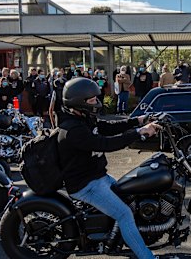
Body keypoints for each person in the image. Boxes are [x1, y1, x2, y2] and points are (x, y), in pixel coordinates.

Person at [57, 78, 159, 259]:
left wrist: (138, 121)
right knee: (124, 214)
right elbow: (104, 143)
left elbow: (106, 127)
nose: (96, 102)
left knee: (131, 198)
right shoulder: (72, 129)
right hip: (85, 185)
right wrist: (138, 133)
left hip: (98, 177)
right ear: (78, 101)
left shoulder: (83, 117)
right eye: (91, 100)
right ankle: (146, 257)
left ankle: (118, 240)